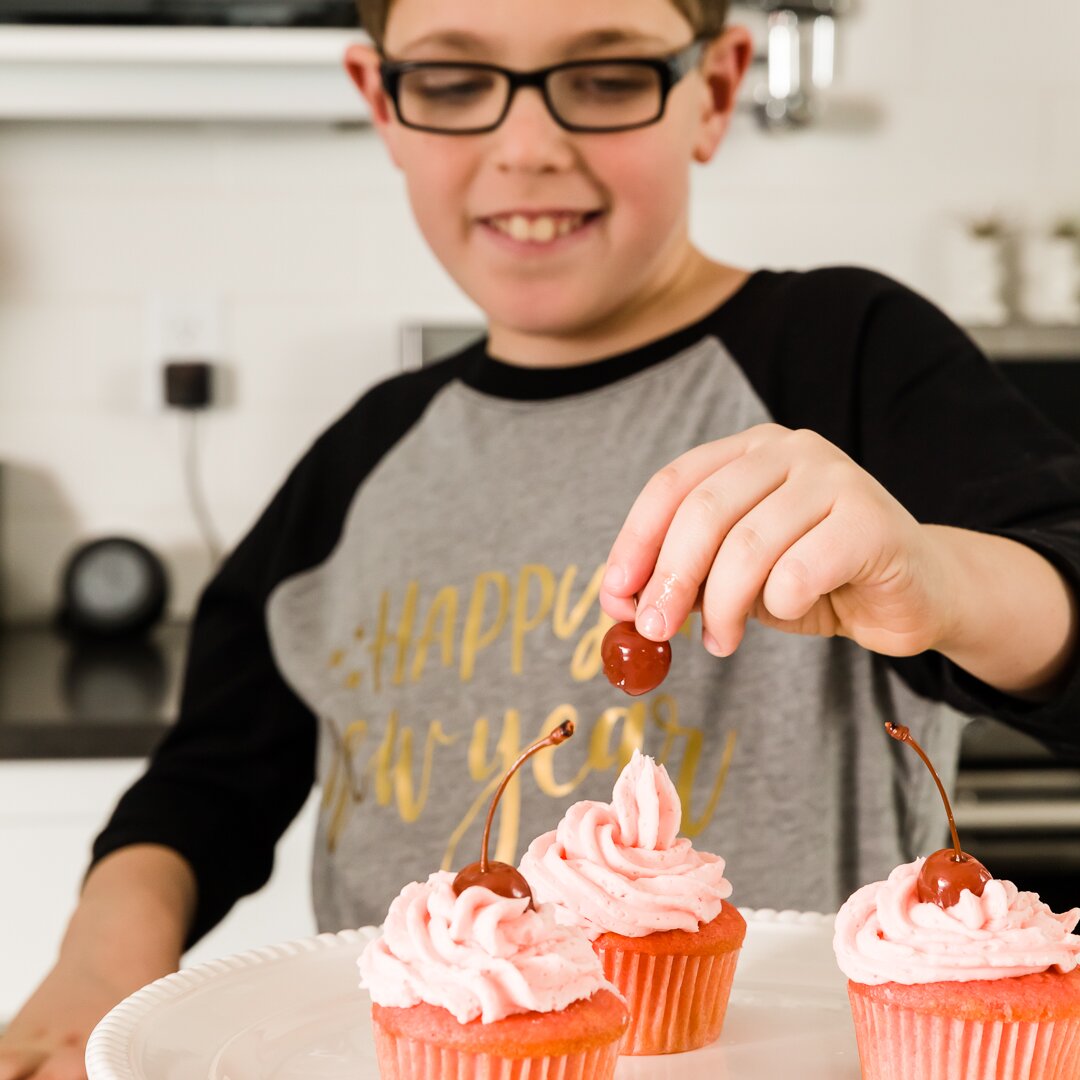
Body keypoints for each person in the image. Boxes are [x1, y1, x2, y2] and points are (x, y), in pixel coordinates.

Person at [3, 0, 1079, 1075]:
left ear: (711, 92)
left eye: (607, 77)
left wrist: (939, 578)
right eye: (455, 82)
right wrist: (95, 978)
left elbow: (1059, 587)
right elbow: (207, 785)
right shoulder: (359, 460)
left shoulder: (848, 358)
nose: (528, 147)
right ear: (383, 103)